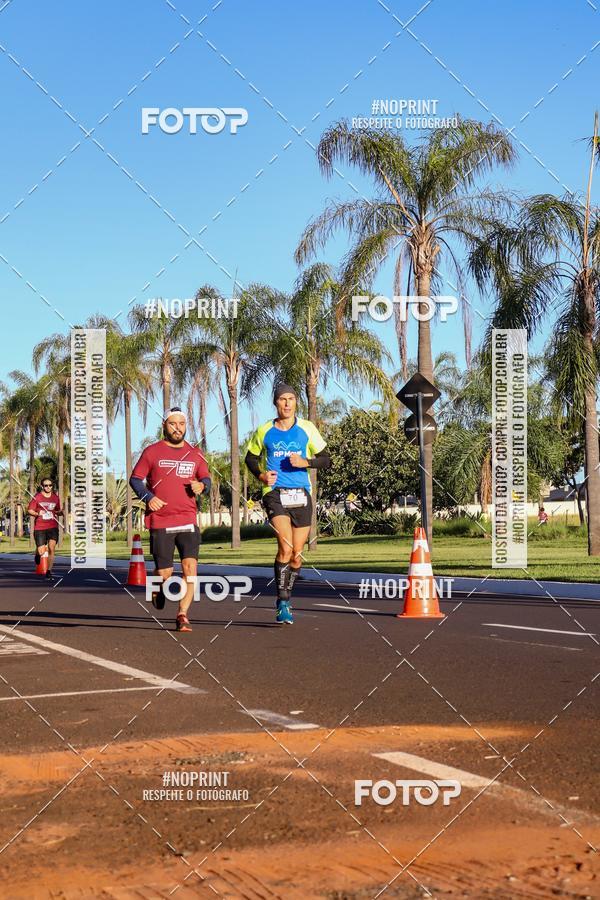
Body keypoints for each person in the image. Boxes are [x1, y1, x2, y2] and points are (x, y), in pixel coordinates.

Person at [245, 383, 331, 624]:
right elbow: (250, 458)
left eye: (291, 399)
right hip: (275, 493)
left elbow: (326, 459)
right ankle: (282, 602)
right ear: (276, 402)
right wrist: (261, 475)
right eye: (282, 399)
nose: (286, 403)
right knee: (285, 546)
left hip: (302, 494)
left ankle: (287, 596)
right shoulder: (264, 431)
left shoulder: (307, 428)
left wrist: (306, 462)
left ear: (296, 402)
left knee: (297, 555)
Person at [129, 407, 211, 633]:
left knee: (190, 568)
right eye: (173, 423)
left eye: (182, 424)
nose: (178, 428)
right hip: (161, 520)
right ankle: (157, 589)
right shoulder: (152, 452)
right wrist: (149, 497)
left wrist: (202, 485)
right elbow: (135, 480)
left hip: (187, 519)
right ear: (165, 425)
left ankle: (182, 614)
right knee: (164, 573)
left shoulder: (195, 453)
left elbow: (206, 477)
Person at [27, 478, 63, 579]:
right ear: (42, 486)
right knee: (42, 551)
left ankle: (49, 571)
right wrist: (38, 513)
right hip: (40, 527)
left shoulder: (56, 498)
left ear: (52, 486)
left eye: (50, 485)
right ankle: (38, 554)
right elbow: (29, 510)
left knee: (51, 548)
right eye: (46, 485)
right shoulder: (37, 497)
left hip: (52, 526)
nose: (48, 487)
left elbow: (58, 510)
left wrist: (61, 512)